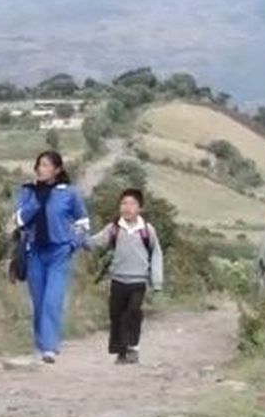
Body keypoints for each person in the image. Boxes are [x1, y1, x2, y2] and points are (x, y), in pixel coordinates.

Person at [14, 151, 90, 364]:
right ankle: (40, 344)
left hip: (58, 252)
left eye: (46, 165)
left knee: (51, 300)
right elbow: (19, 219)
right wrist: (35, 202)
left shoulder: (69, 193)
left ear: (57, 170)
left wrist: (73, 243)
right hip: (34, 252)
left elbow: (83, 222)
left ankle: (50, 347)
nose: (41, 169)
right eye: (39, 165)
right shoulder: (28, 192)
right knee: (38, 301)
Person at [86, 188, 165, 365]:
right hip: (118, 280)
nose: (127, 208)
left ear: (140, 208)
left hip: (138, 281)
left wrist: (157, 281)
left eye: (132, 204)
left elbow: (156, 254)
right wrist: (77, 239)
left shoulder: (147, 230)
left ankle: (133, 347)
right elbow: (97, 242)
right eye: (124, 203)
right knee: (117, 316)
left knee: (133, 313)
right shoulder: (114, 228)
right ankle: (121, 352)